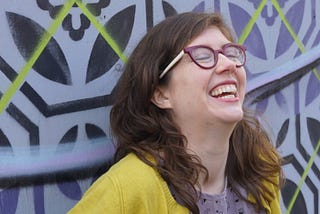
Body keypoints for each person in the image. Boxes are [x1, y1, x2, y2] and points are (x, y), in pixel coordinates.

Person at [69, 12, 284, 214]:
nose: (228, 64)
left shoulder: (260, 168)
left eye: (230, 53)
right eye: (203, 56)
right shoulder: (128, 189)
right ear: (160, 93)